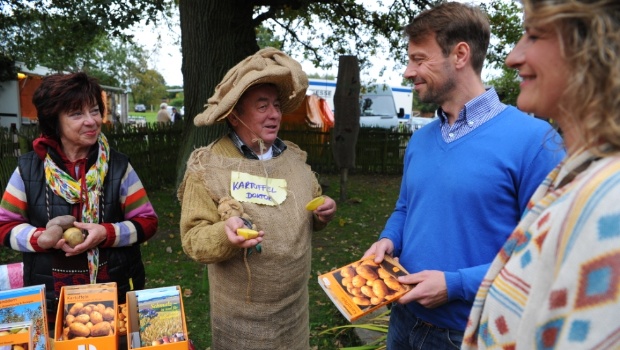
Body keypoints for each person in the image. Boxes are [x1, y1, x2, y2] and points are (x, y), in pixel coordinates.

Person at [361, 2, 566, 349]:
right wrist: (388, 239)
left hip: (472, 332)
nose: (409, 72)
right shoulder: (421, 139)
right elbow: (406, 208)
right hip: (402, 320)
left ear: (459, 55)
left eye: (419, 59)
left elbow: (547, 252)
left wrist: (455, 284)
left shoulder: (536, 142)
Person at [463, 0, 620, 348]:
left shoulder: (610, 203)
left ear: (597, 47)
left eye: (534, 35)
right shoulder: (575, 175)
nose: (512, 57)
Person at [177, 47, 336, 349]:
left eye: (276, 105)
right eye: (262, 106)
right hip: (241, 323)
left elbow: (312, 206)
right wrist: (224, 236)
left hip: (294, 312)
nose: (275, 114)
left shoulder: (293, 160)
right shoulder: (208, 167)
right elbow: (193, 239)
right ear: (235, 113)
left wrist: (323, 212)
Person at [0, 72, 158, 325]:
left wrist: (107, 233)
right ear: (55, 121)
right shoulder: (29, 169)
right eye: (76, 114)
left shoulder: (118, 167)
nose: (91, 121)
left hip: (113, 295)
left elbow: (147, 221)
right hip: (50, 297)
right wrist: (41, 238)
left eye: (94, 111)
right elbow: (5, 225)